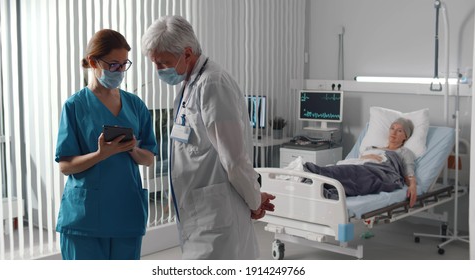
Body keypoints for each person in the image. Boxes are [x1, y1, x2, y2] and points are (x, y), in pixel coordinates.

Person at [141, 15, 275, 259]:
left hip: (216, 216)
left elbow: (234, 159)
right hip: (199, 213)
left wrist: (255, 201)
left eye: (163, 63)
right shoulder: (189, 84)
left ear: (187, 53)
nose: (159, 70)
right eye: (155, 63)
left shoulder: (213, 84)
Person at [55, 29, 157, 260]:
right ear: (93, 62)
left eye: (124, 64)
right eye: (113, 65)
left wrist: (131, 148)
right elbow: (66, 166)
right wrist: (102, 154)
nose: (120, 71)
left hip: (125, 211)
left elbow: (149, 159)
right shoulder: (74, 106)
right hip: (85, 218)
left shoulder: (135, 105)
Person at [304, 117, 417, 207]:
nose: (394, 132)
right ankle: (316, 180)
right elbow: (357, 161)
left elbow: (409, 172)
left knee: (351, 173)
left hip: (380, 171)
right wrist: (368, 156)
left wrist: (412, 186)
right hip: (361, 165)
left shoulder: (404, 152)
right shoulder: (372, 148)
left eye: (400, 130)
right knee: (343, 168)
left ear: (405, 136)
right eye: (392, 128)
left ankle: (313, 176)